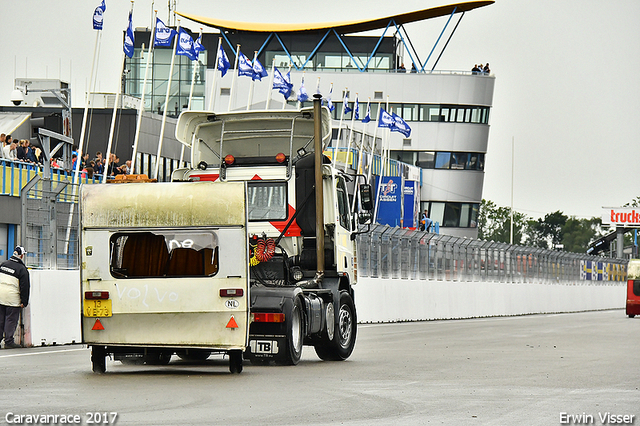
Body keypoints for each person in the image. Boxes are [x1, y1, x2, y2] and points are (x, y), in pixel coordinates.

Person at [0, 246, 30, 349]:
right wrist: (24, 301)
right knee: (11, 320)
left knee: (0, 319)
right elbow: (24, 286)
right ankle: (8, 341)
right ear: (21, 256)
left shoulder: (3, 264)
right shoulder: (22, 269)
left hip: (0, 296)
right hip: (12, 299)